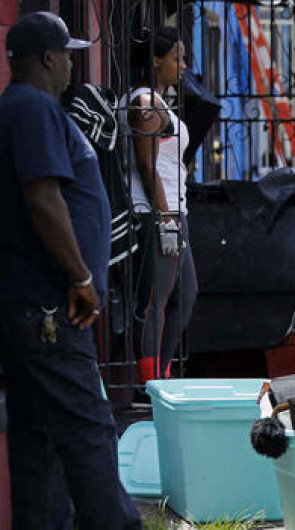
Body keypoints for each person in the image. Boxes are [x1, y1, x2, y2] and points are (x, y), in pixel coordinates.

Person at [0, 11, 142, 528]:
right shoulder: (35, 109)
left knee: (37, 433)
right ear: (46, 59)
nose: (71, 63)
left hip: (28, 302)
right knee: (87, 427)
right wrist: (81, 278)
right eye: (66, 54)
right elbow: (44, 199)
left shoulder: (19, 108)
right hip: (51, 304)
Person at [120, 26, 197, 384]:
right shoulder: (144, 102)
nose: (183, 65)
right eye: (177, 57)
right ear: (155, 60)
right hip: (156, 214)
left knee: (185, 294)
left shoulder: (158, 101)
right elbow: (146, 164)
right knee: (154, 304)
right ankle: (150, 383)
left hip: (174, 212)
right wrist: (165, 218)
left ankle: (161, 375)